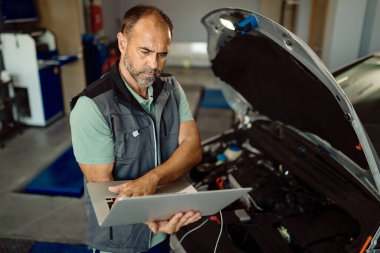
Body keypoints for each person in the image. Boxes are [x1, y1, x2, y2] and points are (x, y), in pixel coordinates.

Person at [70, 4, 202, 253]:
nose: (154, 64)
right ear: (122, 43)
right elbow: (104, 190)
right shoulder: (92, 106)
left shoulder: (172, 89)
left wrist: (152, 180)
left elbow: (192, 148)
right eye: (145, 51)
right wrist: (153, 215)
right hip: (121, 243)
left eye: (162, 54)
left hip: (164, 234)